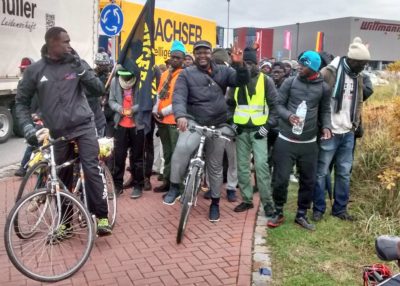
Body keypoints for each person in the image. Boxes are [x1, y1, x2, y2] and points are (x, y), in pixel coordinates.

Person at [15, 26, 111, 235]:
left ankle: (102, 217)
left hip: (84, 125)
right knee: (61, 178)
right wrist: (27, 128)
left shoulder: (77, 63)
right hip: (57, 132)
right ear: (52, 44)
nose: (70, 45)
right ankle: (65, 224)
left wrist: (82, 70)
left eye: (69, 41)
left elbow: (98, 89)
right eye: (65, 42)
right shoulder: (35, 71)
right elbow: (21, 102)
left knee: (90, 168)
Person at [163, 40, 249, 223]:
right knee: (181, 150)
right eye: (198, 52)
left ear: (211, 54)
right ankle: (174, 186)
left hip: (217, 124)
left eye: (206, 52)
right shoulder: (186, 74)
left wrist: (239, 64)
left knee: (215, 166)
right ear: (194, 55)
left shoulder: (224, 71)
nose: (202, 55)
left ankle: (215, 203)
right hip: (194, 122)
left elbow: (242, 81)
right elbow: (179, 96)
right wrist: (180, 116)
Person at [267, 51, 332, 231]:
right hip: (286, 139)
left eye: (303, 65)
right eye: (299, 64)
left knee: (308, 181)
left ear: (314, 68)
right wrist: (288, 116)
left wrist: (326, 126)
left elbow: (325, 111)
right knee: (280, 179)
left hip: (309, 142)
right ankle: (278, 211)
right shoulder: (290, 82)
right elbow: (277, 105)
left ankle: (301, 214)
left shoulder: (324, 88)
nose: (299, 67)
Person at [312, 37, 371, 222]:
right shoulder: (329, 72)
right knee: (322, 172)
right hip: (329, 131)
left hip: (348, 132)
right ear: (351, 60)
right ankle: (318, 209)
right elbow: (318, 100)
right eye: (361, 64)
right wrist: (322, 126)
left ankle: (340, 209)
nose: (363, 67)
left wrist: (356, 125)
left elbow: (360, 101)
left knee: (344, 173)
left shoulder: (358, 76)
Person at [228, 47, 279, 216]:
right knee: (242, 168)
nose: (248, 66)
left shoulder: (266, 81)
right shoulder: (236, 81)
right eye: (246, 63)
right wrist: (232, 123)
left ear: (257, 64)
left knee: (261, 167)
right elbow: (229, 105)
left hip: (259, 130)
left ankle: (268, 203)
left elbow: (275, 107)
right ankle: (247, 200)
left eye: (251, 63)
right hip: (241, 130)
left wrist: (267, 126)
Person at [152, 40, 186, 193]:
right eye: (173, 57)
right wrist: (155, 110)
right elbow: (159, 95)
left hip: (174, 120)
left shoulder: (184, 75)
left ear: (183, 59)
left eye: (178, 58)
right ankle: (167, 181)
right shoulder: (165, 73)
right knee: (167, 153)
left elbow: (179, 100)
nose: (175, 60)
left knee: (176, 155)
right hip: (162, 121)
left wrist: (162, 112)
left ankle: (177, 185)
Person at [108, 66, 145, 199]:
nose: (125, 79)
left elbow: (145, 101)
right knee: (118, 157)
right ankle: (118, 186)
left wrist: (132, 110)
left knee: (137, 158)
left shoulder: (141, 82)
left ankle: (138, 185)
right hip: (120, 124)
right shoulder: (114, 81)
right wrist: (120, 109)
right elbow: (111, 101)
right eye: (123, 76)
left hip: (137, 125)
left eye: (128, 76)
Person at [14, 57, 37, 177]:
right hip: (30, 116)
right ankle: (24, 167)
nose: (24, 72)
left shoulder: (38, 81)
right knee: (33, 142)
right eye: (23, 70)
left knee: (36, 143)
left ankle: (25, 167)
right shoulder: (22, 83)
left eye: (26, 70)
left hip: (38, 116)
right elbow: (21, 102)